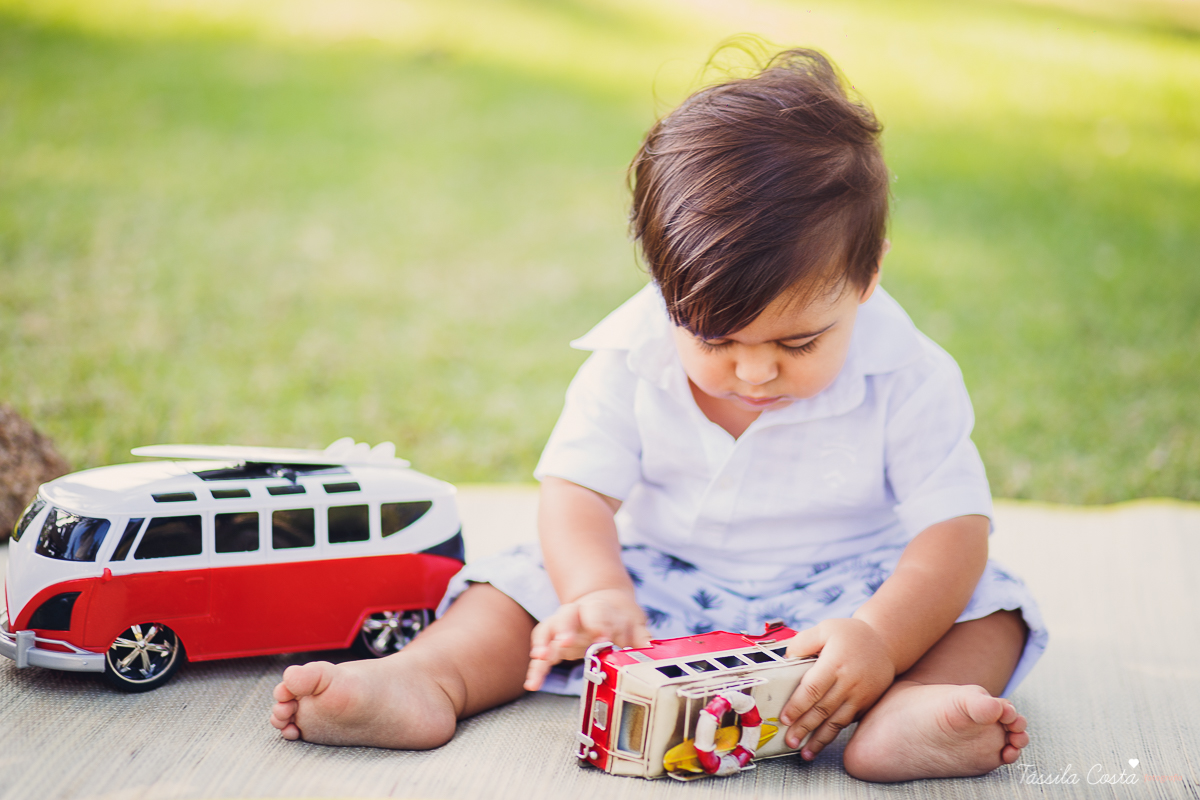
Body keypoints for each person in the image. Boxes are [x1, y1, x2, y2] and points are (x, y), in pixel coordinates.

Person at [269, 47, 1046, 783]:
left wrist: (881, 638)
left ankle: (908, 710)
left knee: (989, 606)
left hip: (852, 604)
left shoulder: (908, 373)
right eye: (715, 337)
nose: (754, 370)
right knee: (517, 587)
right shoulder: (631, 357)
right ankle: (426, 680)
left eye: (798, 340)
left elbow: (953, 531)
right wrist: (597, 590)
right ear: (664, 289)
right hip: (662, 592)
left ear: (867, 277)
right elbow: (575, 492)